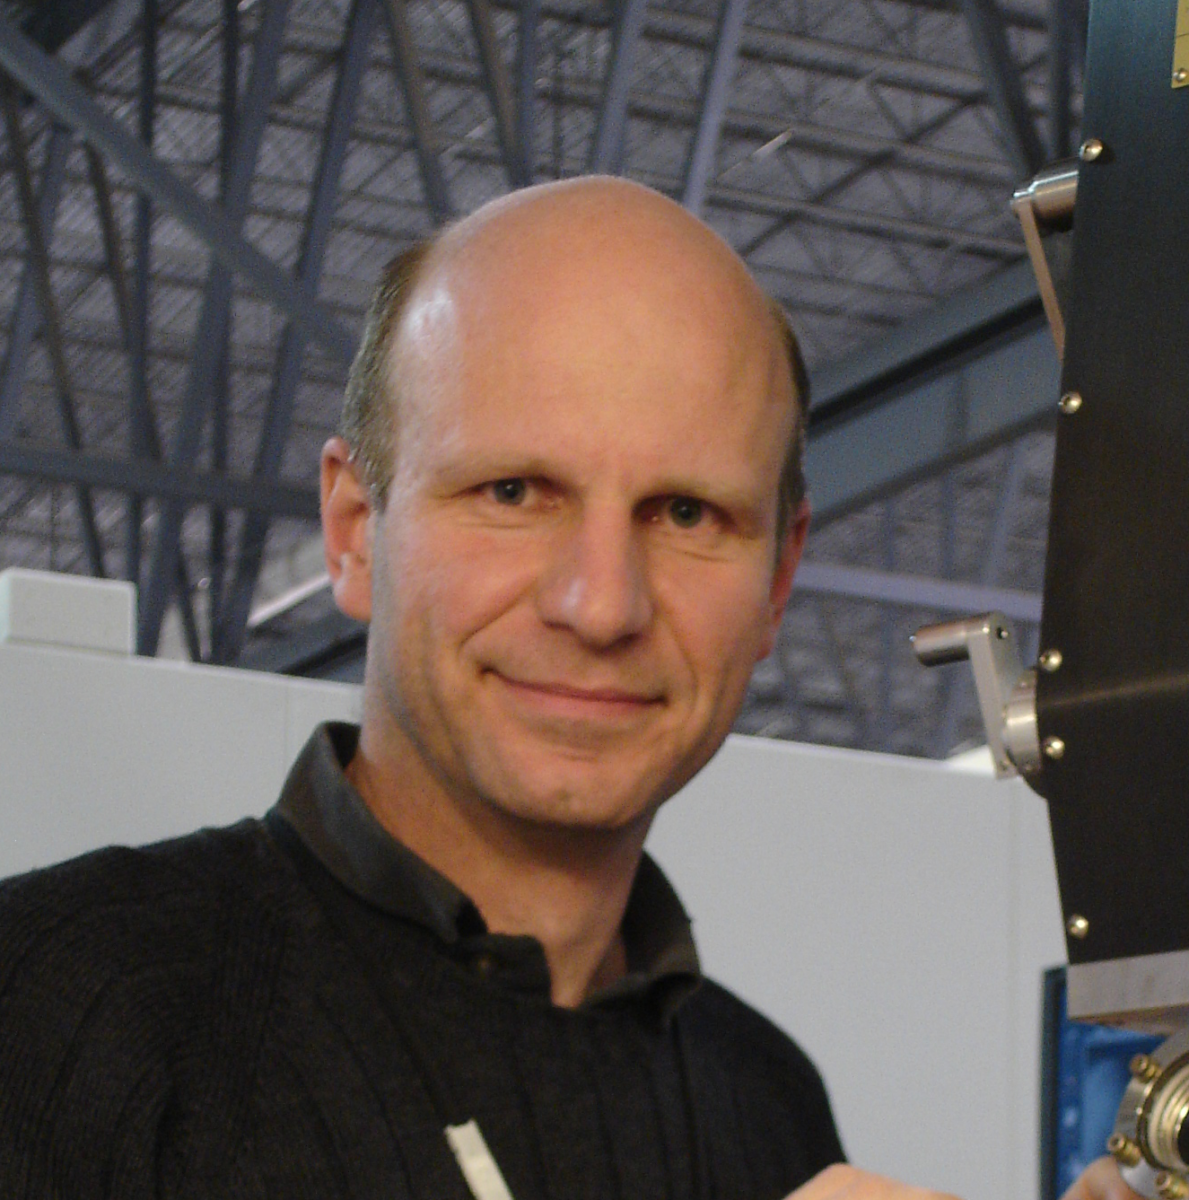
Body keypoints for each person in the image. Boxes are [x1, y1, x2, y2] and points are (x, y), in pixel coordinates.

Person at [0, 176, 1138, 1200]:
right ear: (354, 531)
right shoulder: (57, 1010)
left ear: (778, 579)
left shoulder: (765, 1100)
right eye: (511, 490)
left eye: (686, 514)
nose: (601, 605)